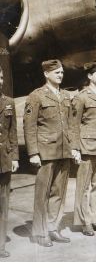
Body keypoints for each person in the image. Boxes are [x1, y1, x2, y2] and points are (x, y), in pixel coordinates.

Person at [24, 59, 74, 247]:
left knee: (59, 192)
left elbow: (71, 125)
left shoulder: (66, 96)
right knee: (42, 194)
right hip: (46, 152)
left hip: (63, 151)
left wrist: (74, 147)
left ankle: (53, 228)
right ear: (46, 74)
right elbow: (29, 127)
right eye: (57, 72)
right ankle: (39, 232)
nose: (61, 75)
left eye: (62, 72)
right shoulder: (36, 96)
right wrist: (33, 153)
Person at [70, 62, 96, 236]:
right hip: (86, 147)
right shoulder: (81, 97)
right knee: (84, 187)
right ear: (89, 76)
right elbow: (74, 125)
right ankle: (85, 221)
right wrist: (75, 148)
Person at [0, 66, 18, 259]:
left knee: (3, 204)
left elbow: (13, 133)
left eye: (1, 77)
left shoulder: (9, 103)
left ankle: (1, 244)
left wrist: (14, 157)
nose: (0, 81)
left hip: (4, 160)